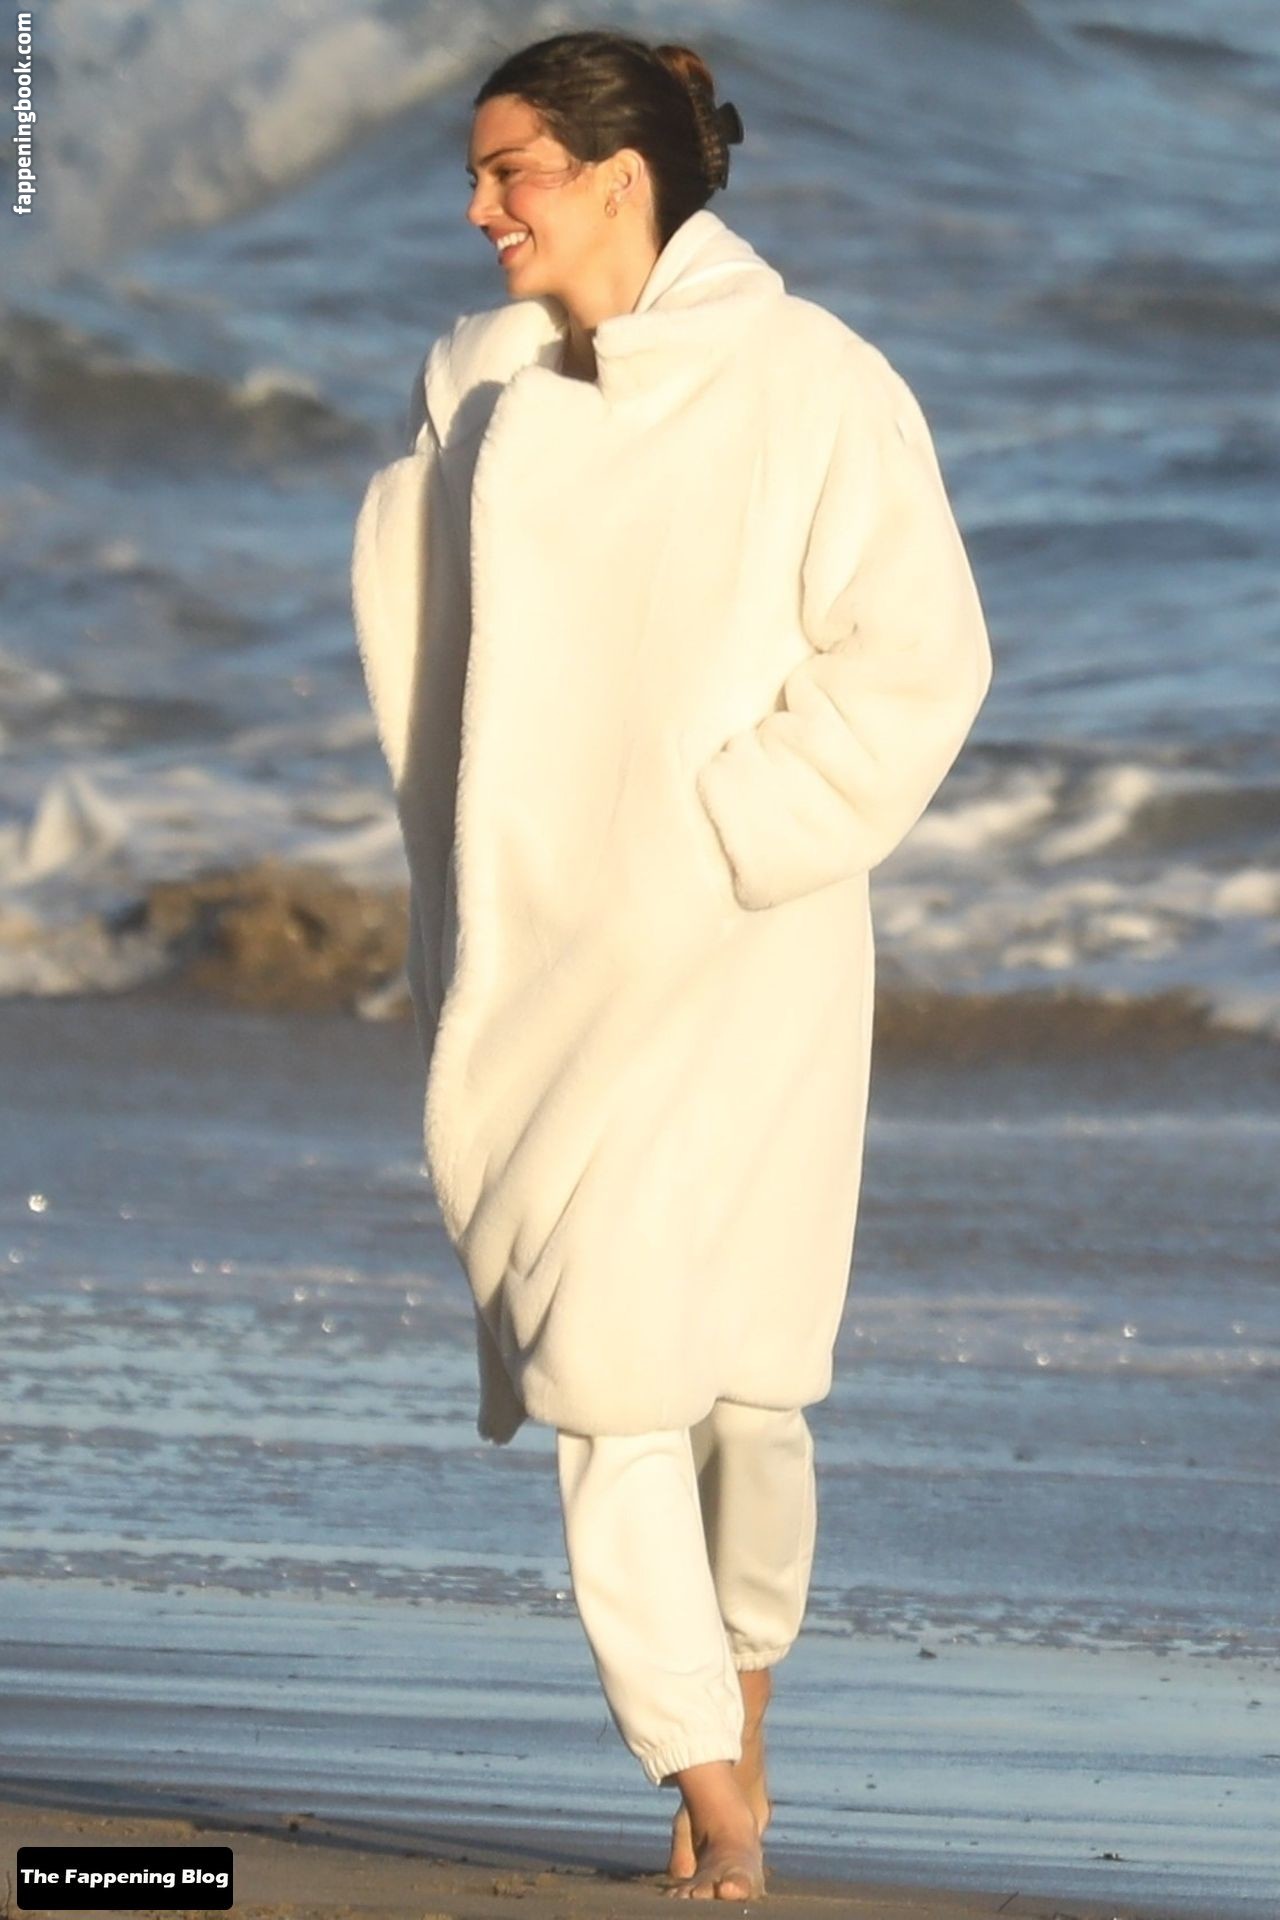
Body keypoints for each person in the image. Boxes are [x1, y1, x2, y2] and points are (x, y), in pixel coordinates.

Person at [351, 27, 993, 1902]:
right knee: (606, 1368)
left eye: (512, 173)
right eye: (477, 177)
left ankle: (741, 1714)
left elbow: (922, 658)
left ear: (620, 178)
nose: (480, 211)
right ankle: (710, 1781)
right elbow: (432, 663)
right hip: (550, 965)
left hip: (739, 952)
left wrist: (728, 838)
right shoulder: (474, 384)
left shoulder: (810, 380)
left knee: (746, 1391)